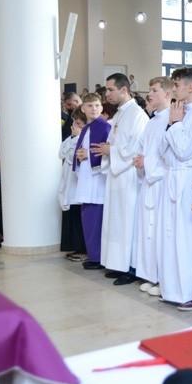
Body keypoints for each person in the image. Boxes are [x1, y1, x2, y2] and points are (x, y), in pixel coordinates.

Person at [157, 67, 192, 308]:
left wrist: (175, 124)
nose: (173, 90)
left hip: (187, 179)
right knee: (169, 235)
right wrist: (172, 124)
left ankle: (187, 293)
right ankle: (171, 289)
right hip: (172, 177)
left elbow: (183, 152)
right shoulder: (177, 112)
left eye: (176, 85)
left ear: (190, 87)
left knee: (185, 238)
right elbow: (163, 150)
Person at [94, 74, 149, 285]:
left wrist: (112, 150)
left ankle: (131, 267)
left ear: (123, 89)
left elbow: (136, 148)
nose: (107, 94)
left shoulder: (137, 115)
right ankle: (118, 264)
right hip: (116, 175)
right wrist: (109, 151)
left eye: (110, 90)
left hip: (128, 176)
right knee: (115, 222)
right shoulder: (119, 115)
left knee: (127, 223)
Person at [131, 77, 173, 298]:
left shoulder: (170, 119)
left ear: (167, 94)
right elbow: (144, 148)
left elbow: (166, 155)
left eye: (154, 90)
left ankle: (161, 277)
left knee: (158, 230)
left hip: (162, 182)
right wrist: (140, 160)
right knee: (147, 229)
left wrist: (145, 162)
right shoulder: (153, 120)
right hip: (149, 180)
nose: (150, 94)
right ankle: (150, 274)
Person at [74, 92, 111, 271]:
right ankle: (93, 254)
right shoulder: (88, 127)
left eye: (96, 105)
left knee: (96, 218)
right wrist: (81, 155)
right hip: (88, 177)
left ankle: (98, 257)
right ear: (83, 108)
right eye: (89, 106)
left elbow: (105, 151)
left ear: (101, 107)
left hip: (98, 179)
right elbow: (83, 149)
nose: (93, 109)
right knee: (88, 217)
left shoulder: (104, 126)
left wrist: (86, 154)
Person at [59, 106, 87, 261]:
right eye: (74, 123)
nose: (75, 127)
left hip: (78, 179)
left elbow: (71, 157)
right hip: (69, 178)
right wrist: (72, 138)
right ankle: (74, 247)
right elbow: (61, 153)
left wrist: (76, 139)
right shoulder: (73, 138)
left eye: (79, 124)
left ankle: (82, 249)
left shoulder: (84, 138)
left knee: (78, 213)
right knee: (71, 212)